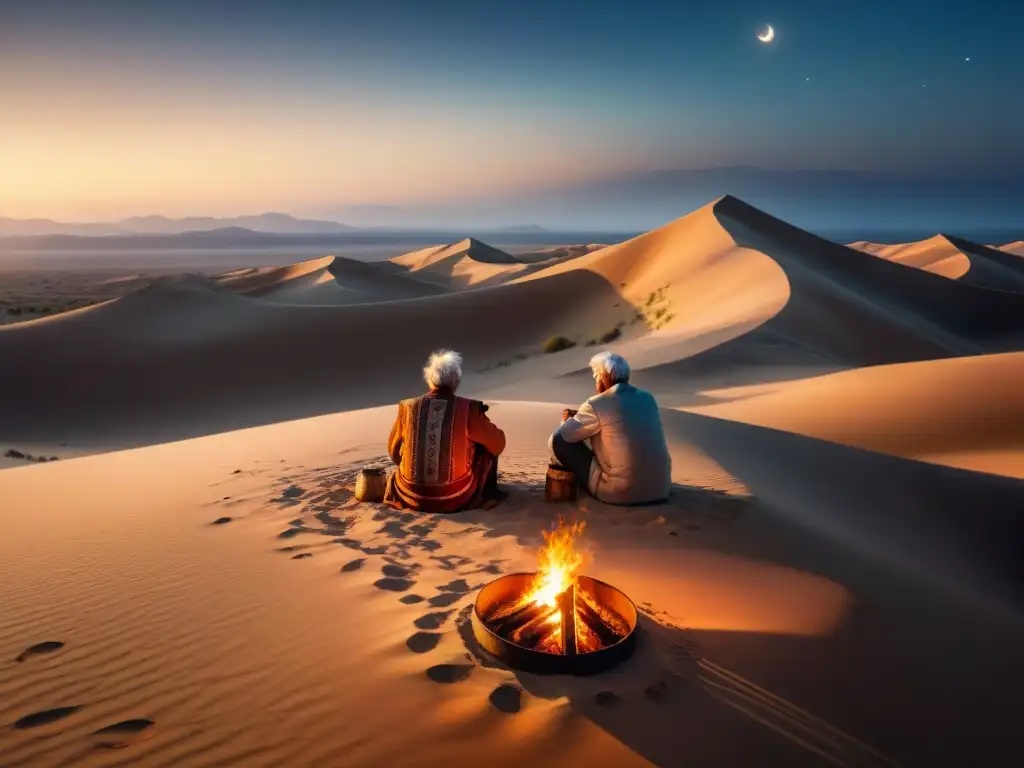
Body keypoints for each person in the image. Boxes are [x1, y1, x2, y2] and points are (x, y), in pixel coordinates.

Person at [385, 349, 507, 513]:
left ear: (429, 380)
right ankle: (490, 493)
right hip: (456, 497)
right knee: (487, 447)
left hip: (409, 494)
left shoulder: (408, 407)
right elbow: (498, 444)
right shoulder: (468, 409)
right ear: (456, 381)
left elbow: (393, 451)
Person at [549, 351, 671, 505]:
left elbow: (565, 435)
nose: (594, 379)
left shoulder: (596, 403)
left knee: (557, 441)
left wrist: (567, 421)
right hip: (660, 489)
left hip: (619, 493)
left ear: (603, 376)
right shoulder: (648, 398)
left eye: (595, 375)